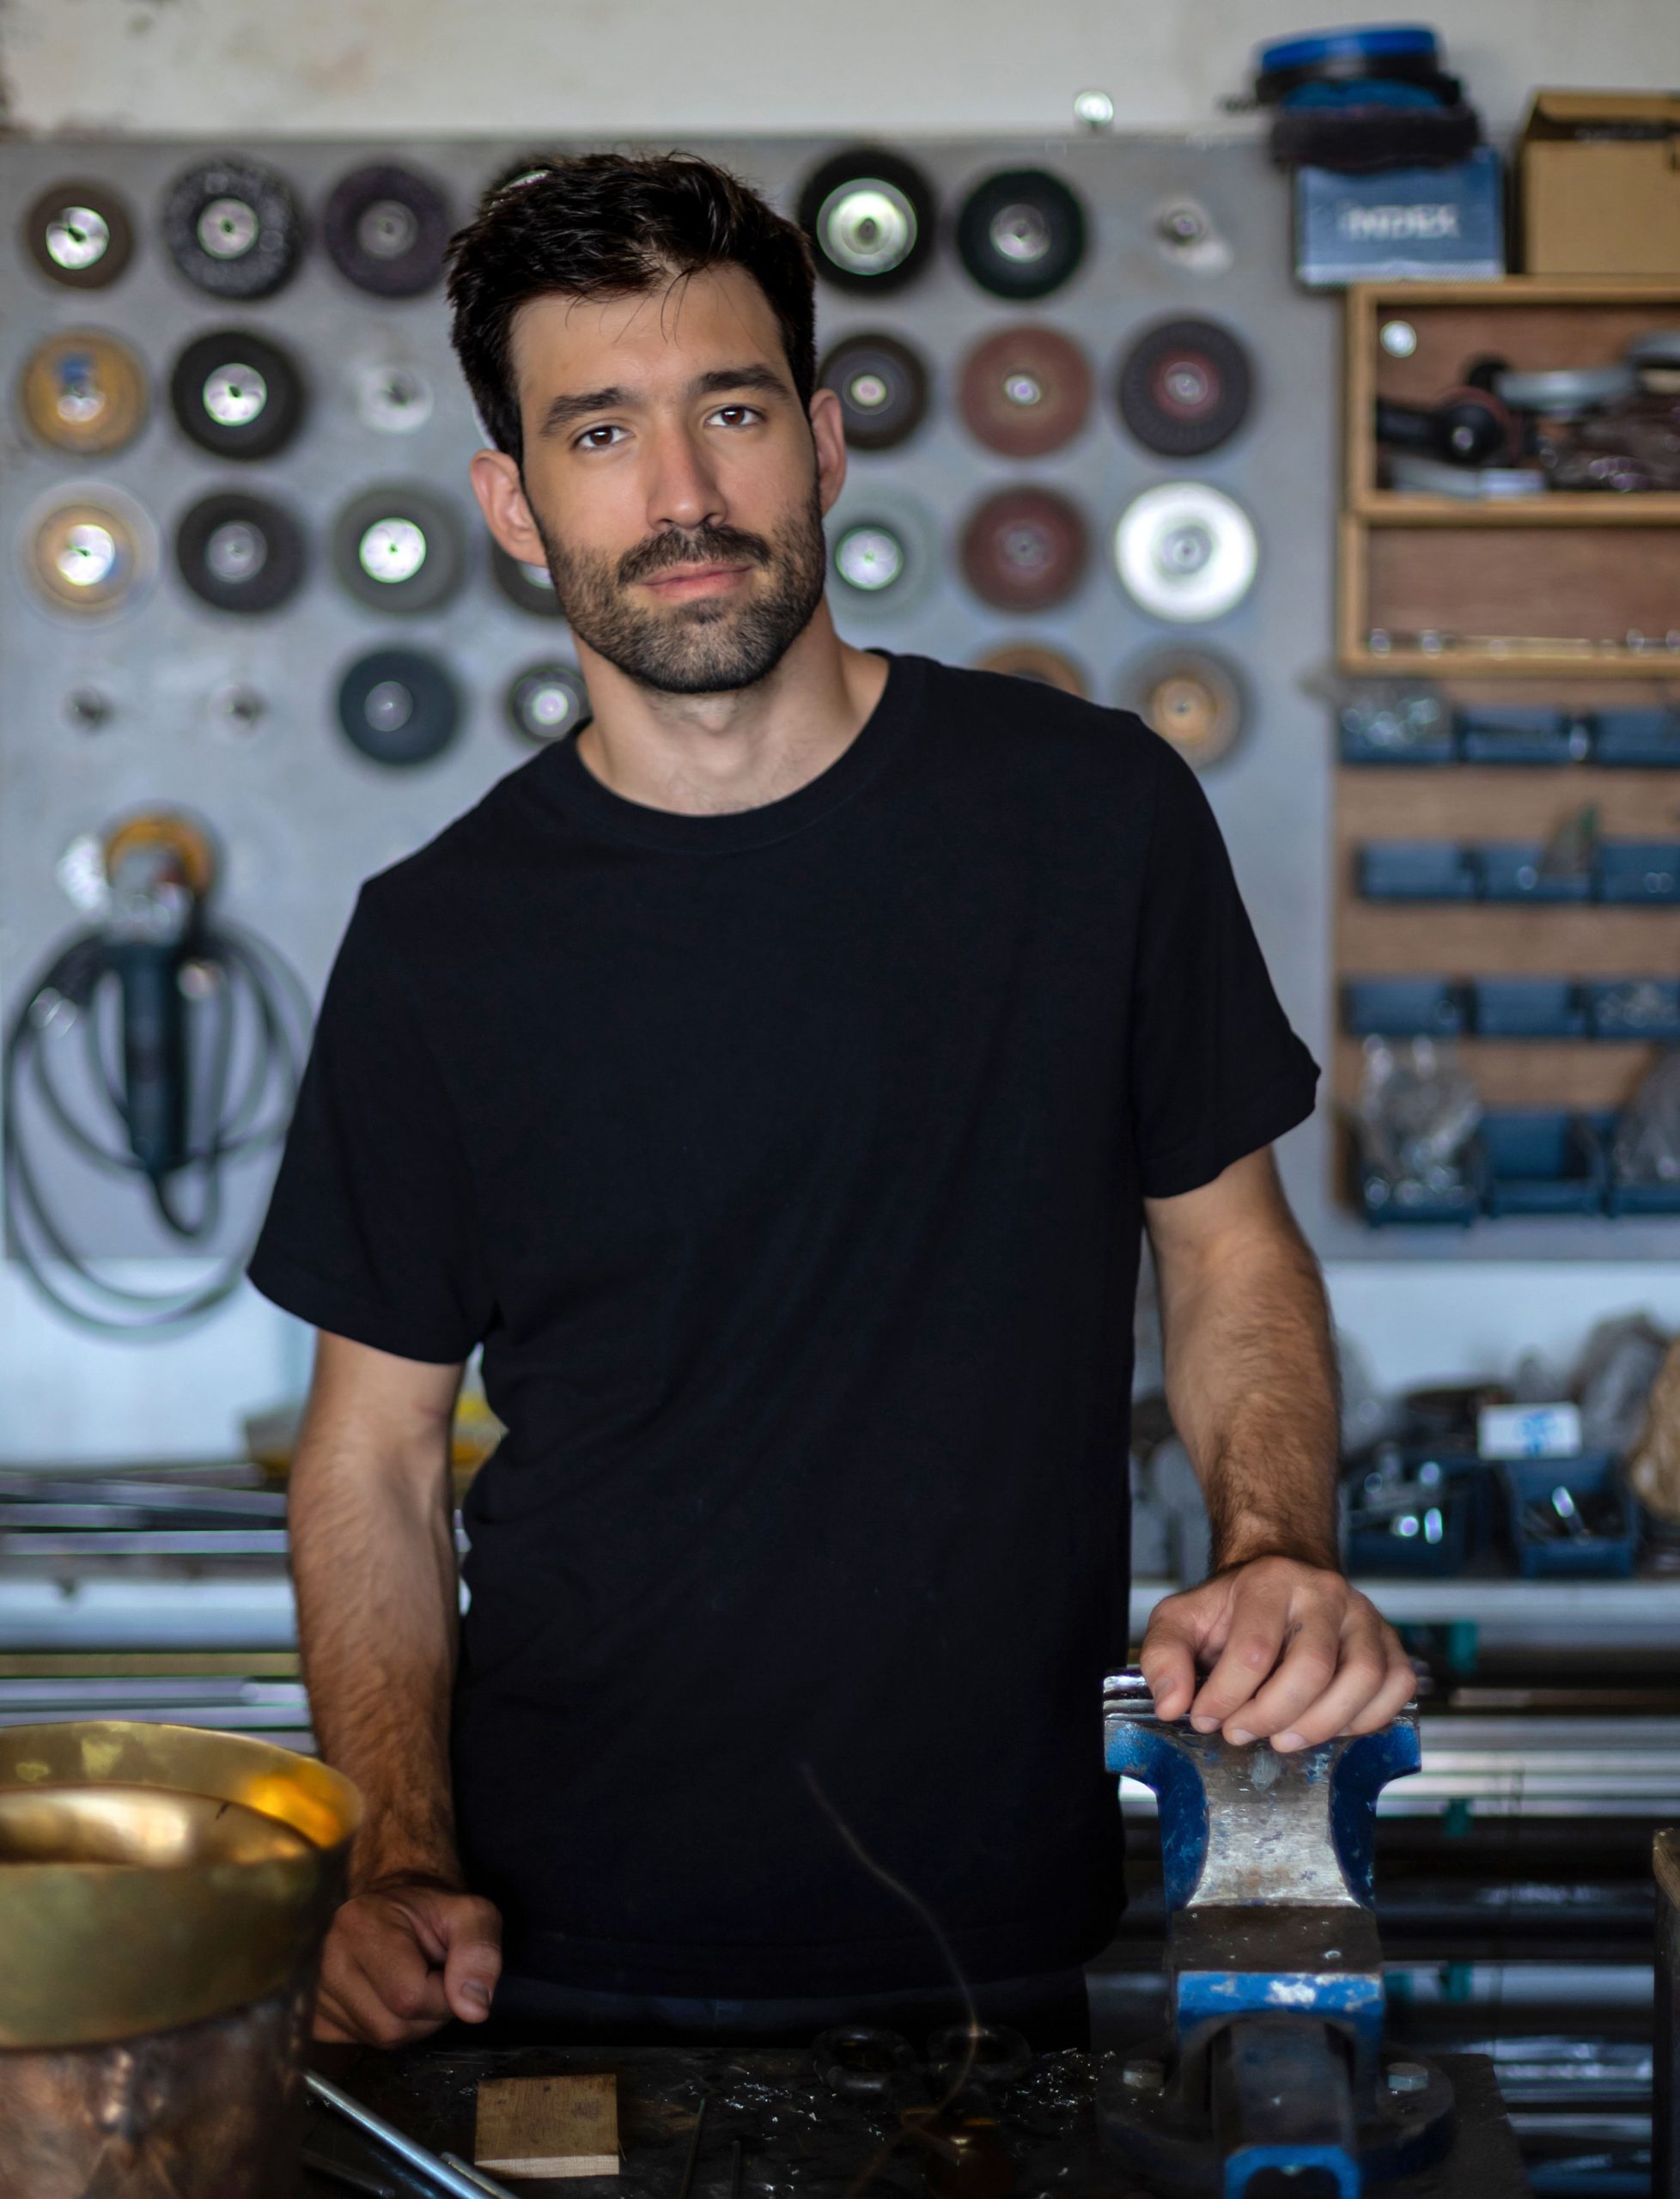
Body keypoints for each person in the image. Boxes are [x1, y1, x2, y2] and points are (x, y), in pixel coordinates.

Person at [247, 149, 1413, 2054]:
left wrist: (1271, 1545)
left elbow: (1227, 1255)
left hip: (1000, 1932)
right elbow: (368, 1457)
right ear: (514, 507)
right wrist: (398, 1851)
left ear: (824, 437)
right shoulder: (439, 944)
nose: (683, 496)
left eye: (729, 411)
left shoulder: (1089, 820)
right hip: (559, 1943)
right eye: (599, 432)